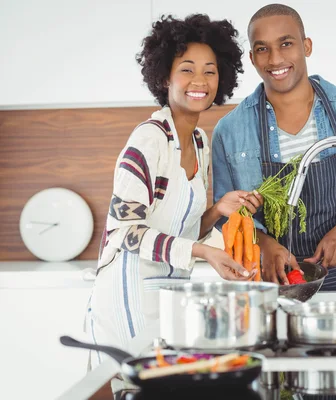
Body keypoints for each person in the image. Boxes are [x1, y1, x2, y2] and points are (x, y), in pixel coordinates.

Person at [85, 13, 262, 369]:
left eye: (210, 71)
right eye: (187, 69)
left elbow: (181, 232)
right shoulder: (149, 140)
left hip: (170, 293)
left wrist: (218, 211)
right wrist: (204, 253)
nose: (200, 80)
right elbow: (125, 232)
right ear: (165, 75)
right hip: (128, 292)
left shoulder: (200, 142)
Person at [212, 4, 336, 291]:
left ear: (306, 46)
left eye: (286, 44)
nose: (275, 59)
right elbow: (225, 213)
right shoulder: (230, 130)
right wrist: (263, 245)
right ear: (251, 57)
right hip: (265, 281)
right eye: (262, 49)